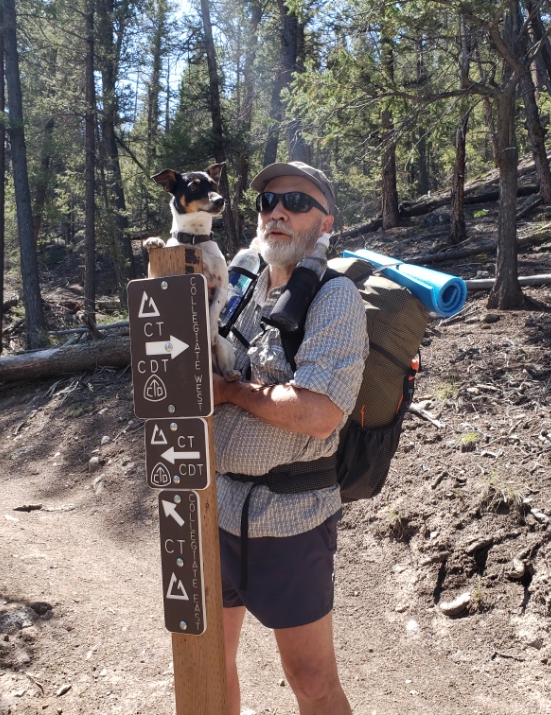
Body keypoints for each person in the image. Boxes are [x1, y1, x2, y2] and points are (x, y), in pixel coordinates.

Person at [212, 161, 368, 715]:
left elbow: (320, 413)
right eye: (268, 202)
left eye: (297, 202)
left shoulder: (335, 299)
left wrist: (231, 394)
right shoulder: (237, 289)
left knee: (310, 678)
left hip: (291, 515)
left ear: (325, 223)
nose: (277, 210)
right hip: (214, 506)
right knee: (209, 661)